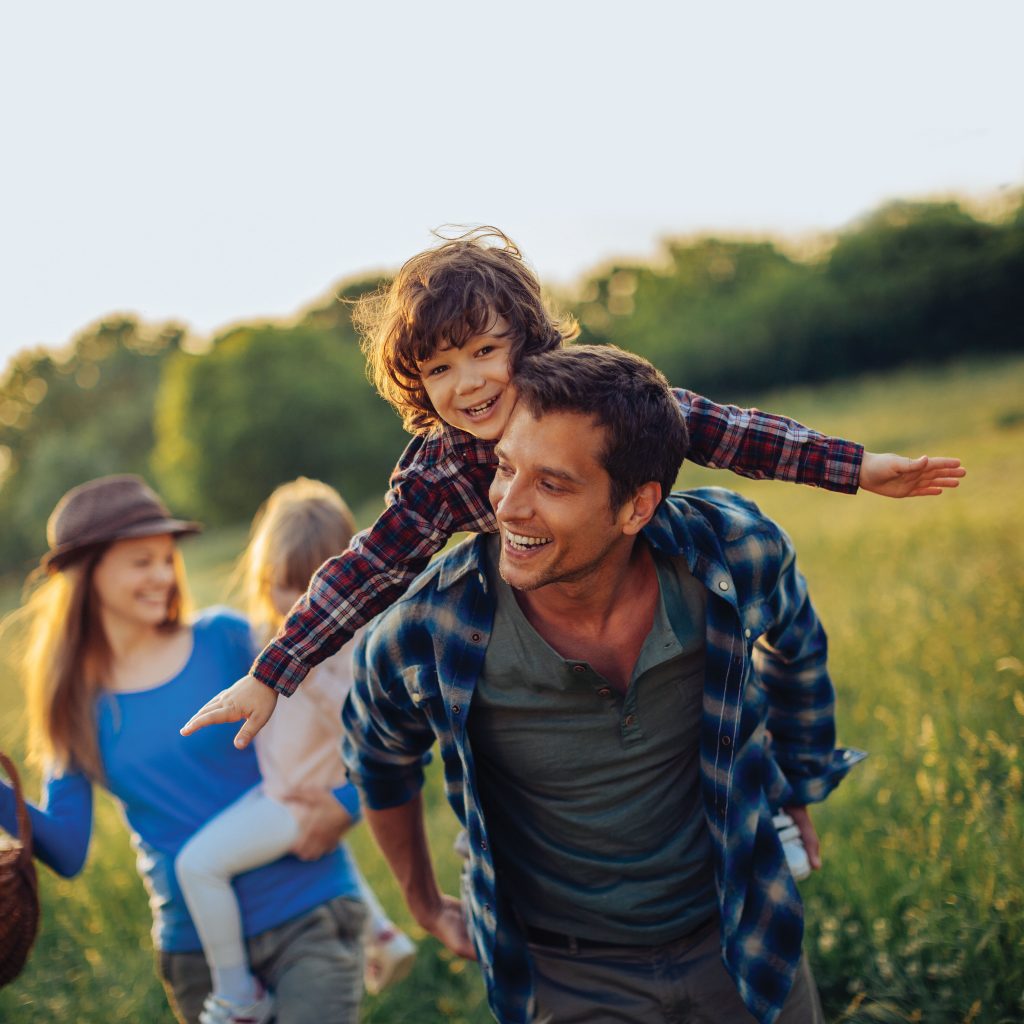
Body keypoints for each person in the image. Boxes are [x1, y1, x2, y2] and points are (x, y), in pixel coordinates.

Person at [182, 227, 963, 748]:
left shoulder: (589, 395)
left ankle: (763, 787)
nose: (470, 382)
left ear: (523, 338)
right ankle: (496, 820)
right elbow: (370, 566)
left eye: (484, 350)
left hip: (639, 564)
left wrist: (856, 468)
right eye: (439, 369)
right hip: (535, 611)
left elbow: (720, 429)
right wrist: (271, 673)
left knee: (709, 658)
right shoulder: (438, 469)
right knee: (488, 661)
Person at [342, 345, 867, 1024]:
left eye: (552, 485)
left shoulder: (733, 552)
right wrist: (421, 901)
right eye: (506, 469)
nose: (509, 507)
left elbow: (795, 644)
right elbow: (376, 756)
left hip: (742, 929)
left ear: (636, 506)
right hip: (564, 976)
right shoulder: (427, 627)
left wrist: (798, 774)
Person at [0, 475, 366, 1024]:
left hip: (308, 913)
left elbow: (352, 716)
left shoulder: (227, 638)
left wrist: (348, 803)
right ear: (88, 575)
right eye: (142, 562)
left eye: (167, 559)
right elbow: (68, 849)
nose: (166, 576)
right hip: (196, 954)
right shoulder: (72, 703)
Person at [174, 477, 416, 1014]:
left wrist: (312, 675)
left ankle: (237, 993)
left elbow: (371, 725)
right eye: (283, 583)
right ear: (264, 577)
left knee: (198, 865)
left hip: (299, 798)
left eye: (312, 585)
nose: (296, 603)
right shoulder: (267, 631)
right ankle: (382, 935)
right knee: (329, 851)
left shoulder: (348, 649)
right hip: (286, 787)